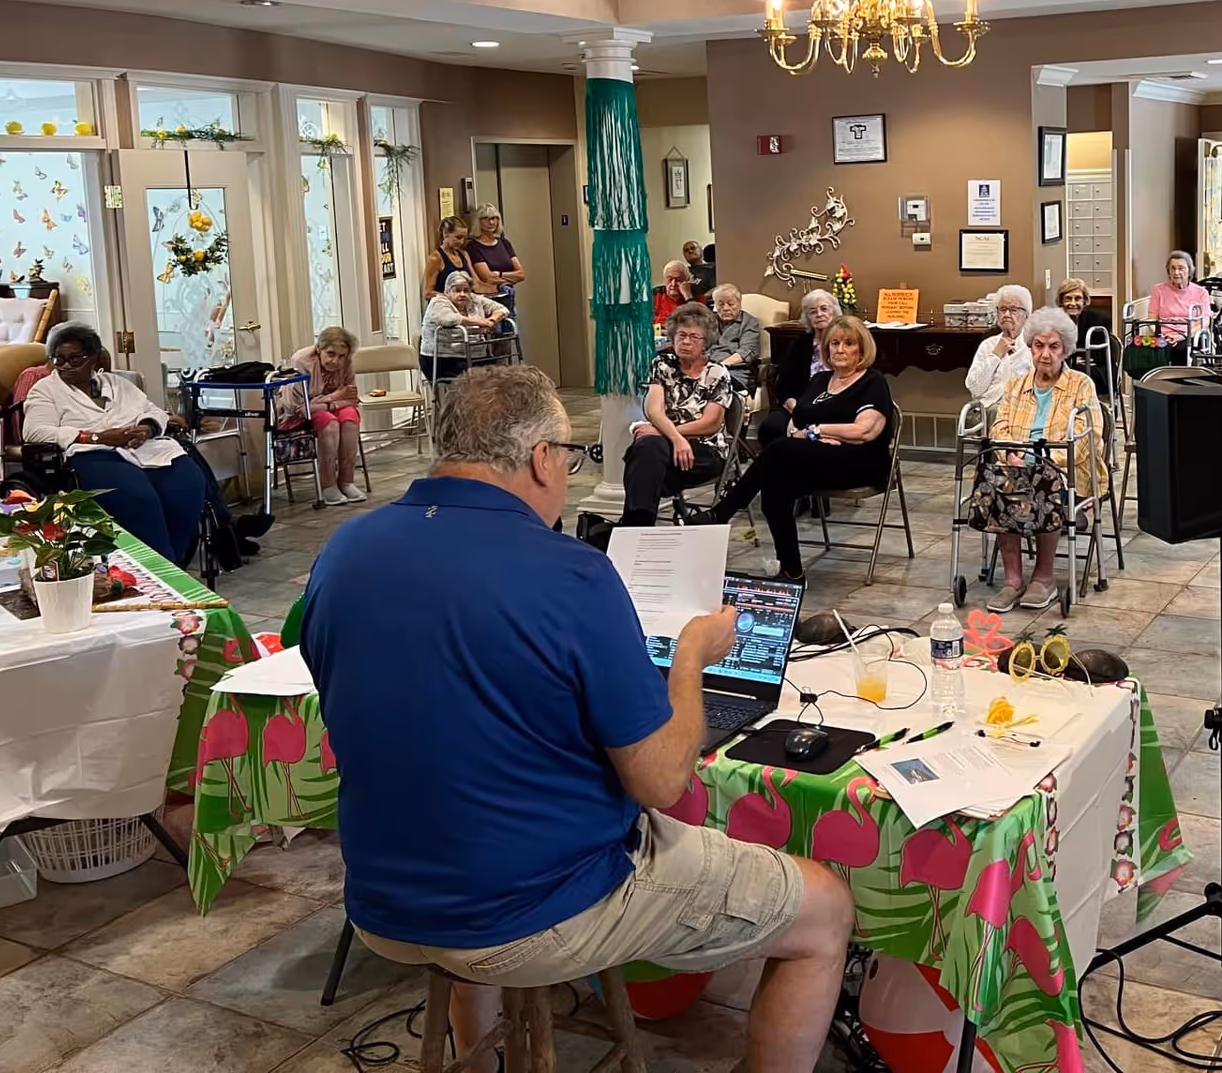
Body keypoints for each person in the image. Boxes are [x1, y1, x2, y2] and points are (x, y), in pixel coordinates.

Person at [301, 366, 851, 1073]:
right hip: (529, 909)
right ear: (539, 458)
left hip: (382, 896)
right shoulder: (570, 573)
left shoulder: (344, 551)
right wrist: (689, 661)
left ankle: (482, 1054)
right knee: (825, 908)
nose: (567, 472)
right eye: (570, 455)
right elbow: (659, 780)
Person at [703, 316, 895, 582]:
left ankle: (724, 511)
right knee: (774, 490)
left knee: (779, 449)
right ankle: (792, 571)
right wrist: (811, 437)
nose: (840, 349)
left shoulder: (871, 381)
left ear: (861, 350)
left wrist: (818, 431)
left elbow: (864, 431)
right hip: (818, 457)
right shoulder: (820, 381)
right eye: (834, 343)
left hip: (861, 462)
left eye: (848, 344)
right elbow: (795, 424)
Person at [21, 322, 210, 564]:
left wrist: (146, 428)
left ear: (94, 359)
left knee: (188, 485)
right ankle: (161, 571)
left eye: (75, 359)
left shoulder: (117, 384)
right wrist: (95, 437)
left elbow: (153, 411)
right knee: (141, 500)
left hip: (145, 449)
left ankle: (169, 565)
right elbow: (34, 431)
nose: (66, 366)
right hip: (94, 453)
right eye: (59, 359)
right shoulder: (46, 389)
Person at [970, 308, 1103, 613]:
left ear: (1065, 349)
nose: (1045, 354)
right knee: (995, 478)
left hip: (1064, 468)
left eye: (1053, 347)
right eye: (1038, 345)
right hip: (1016, 465)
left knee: (1042, 480)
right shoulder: (1016, 385)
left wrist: (1042, 459)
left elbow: (1088, 436)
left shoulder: (1081, 385)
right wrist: (1010, 454)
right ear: (1030, 347)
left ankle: (1043, 578)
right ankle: (1013, 581)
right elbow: (1000, 426)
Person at [622, 302, 736, 526]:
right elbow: (654, 410)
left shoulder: (717, 372)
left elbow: (711, 424)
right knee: (649, 452)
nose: (685, 341)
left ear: (706, 343)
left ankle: (631, 529)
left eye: (694, 337)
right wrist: (674, 439)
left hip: (706, 450)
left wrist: (667, 434)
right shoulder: (662, 364)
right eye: (682, 335)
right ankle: (638, 528)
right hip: (668, 446)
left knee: (643, 459)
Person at [291, 324, 367, 506]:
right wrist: (335, 396)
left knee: (350, 418)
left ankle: (347, 481)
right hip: (302, 413)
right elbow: (301, 407)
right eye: (331, 354)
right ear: (319, 349)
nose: (336, 361)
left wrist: (330, 402)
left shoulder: (347, 361)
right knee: (330, 422)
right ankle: (327, 484)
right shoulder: (301, 362)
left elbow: (351, 398)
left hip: (328, 405)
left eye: (341, 356)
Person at [762, 289, 840, 447]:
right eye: (813, 311)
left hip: (835, 405)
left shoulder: (843, 344)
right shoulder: (798, 345)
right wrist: (798, 410)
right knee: (771, 427)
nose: (819, 314)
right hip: (799, 405)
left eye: (824, 309)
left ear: (835, 312)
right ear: (808, 318)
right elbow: (784, 388)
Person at [421, 272, 507, 387]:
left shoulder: (475, 300)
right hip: (443, 359)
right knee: (479, 382)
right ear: (447, 292)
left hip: (475, 356)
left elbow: (502, 309)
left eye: (466, 290)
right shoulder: (438, 303)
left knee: (499, 375)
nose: (462, 294)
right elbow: (449, 319)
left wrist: (491, 321)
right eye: (457, 290)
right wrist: (481, 322)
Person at [966, 285, 1035, 409]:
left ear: (1026, 315)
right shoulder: (988, 345)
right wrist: (995, 355)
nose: (1007, 314)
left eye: (1014, 309)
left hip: (1023, 410)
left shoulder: (1033, 345)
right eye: (1002, 309)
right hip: (988, 410)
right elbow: (975, 388)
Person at [1056, 277, 1113, 400]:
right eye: (1068, 298)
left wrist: (1072, 358)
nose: (1073, 303)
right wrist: (1073, 359)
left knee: (1074, 372)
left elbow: (1099, 356)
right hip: (1066, 366)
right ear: (1061, 301)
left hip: (1097, 370)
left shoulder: (1098, 320)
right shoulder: (1055, 321)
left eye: (1077, 298)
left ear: (1085, 301)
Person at [1148, 251, 1212, 355]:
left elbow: (1205, 321)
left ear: (1189, 270)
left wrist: (1183, 336)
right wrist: (1162, 335)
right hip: (1164, 335)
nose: (1176, 272)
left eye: (1181, 268)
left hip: (1189, 335)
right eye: (1172, 268)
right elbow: (1152, 319)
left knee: (1181, 350)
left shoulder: (1201, 292)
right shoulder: (1158, 290)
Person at [466, 205, 525, 317]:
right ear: (479, 222)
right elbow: (487, 277)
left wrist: (499, 274)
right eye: (487, 219)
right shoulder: (474, 247)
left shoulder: (504, 243)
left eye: (495, 218)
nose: (492, 222)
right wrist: (510, 277)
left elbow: (521, 274)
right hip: (489, 301)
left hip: (508, 298)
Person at [706, 283, 762, 391]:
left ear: (739, 304)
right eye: (720, 304)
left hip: (735, 373)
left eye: (731, 304)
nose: (726, 308)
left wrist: (718, 367)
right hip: (706, 370)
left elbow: (746, 352)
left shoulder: (749, 322)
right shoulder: (709, 322)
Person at [423, 215, 479, 300]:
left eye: (464, 238)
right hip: (444, 306)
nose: (461, 242)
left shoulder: (464, 254)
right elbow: (428, 293)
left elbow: (476, 283)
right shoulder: (436, 258)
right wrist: (453, 297)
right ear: (445, 233)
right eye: (458, 237)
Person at [653, 260, 693, 330]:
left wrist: (688, 295)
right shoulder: (654, 295)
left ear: (687, 280)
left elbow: (700, 322)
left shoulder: (695, 296)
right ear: (664, 280)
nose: (673, 284)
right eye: (670, 279)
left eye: (678, 280)